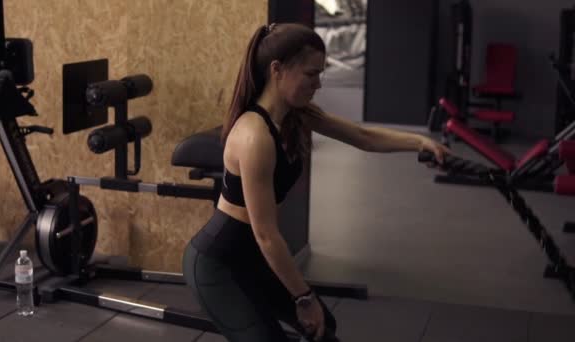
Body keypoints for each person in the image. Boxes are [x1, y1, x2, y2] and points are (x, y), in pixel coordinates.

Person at [182, 22, 449, 342]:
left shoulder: (297, 114)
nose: (318, 83)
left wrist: (420, 142)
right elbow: (266, 235)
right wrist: (303, 298)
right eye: (311, 74)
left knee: (324, 330)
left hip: (253, 257)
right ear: (277, 70)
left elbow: (362, 136)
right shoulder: (255, 136)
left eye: (320, 73)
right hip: (218, 264)